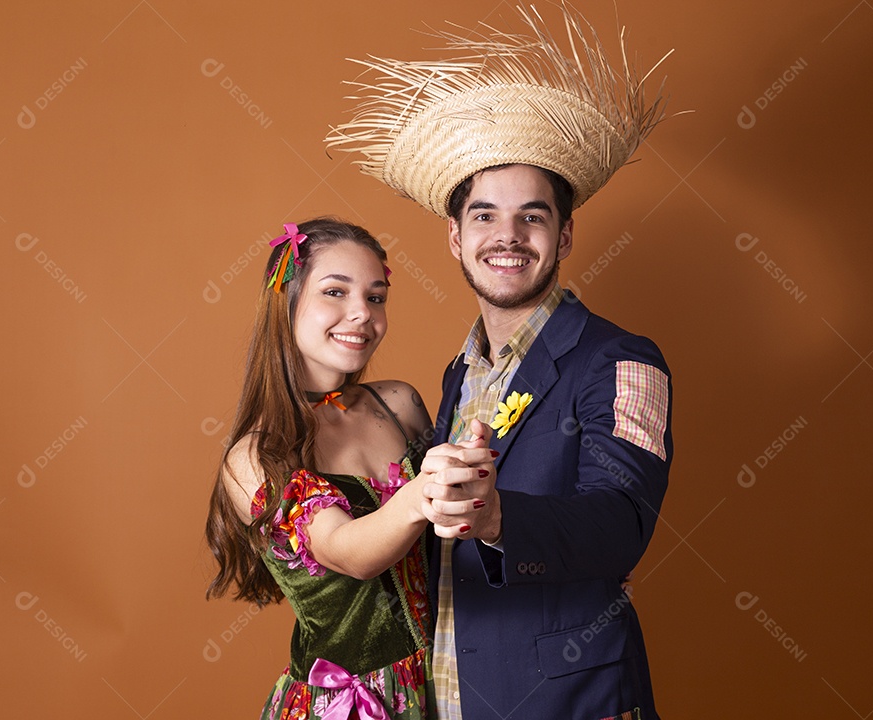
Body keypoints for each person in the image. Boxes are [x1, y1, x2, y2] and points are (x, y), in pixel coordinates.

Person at [327, 6, 674, 718]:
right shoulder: (458, 376)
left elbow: (620, 526)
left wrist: (496, 519)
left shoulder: (624, 361)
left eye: (532, 216)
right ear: (455, 237)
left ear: (565, 233)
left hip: (572, 700)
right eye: (484, 215)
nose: (506, 236)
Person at [204, 217, 494, 719]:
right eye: (335, 292)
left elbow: (456, 544)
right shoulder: (253, 457)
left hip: (452, 678)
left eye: (376, 297)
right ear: (286, 301)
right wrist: (424, 488)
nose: (361, 313)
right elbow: (347, 553)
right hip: (353, 704)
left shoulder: (398, 403)